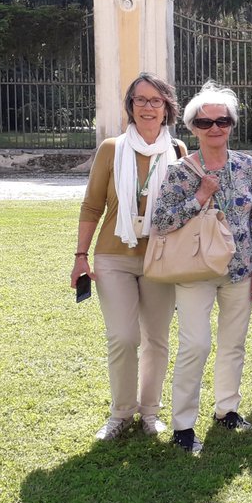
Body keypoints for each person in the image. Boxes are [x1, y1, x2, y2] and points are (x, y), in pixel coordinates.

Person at [153, 82, 252, 454]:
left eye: (223, 120)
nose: (215, 128)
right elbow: (161, 222)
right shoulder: (179, 172)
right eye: (205, 122)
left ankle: (227, 410)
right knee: (196, 345)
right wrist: (199, 197)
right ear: (193, 128)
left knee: (233, 345)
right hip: (196, 271)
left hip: (241, 270)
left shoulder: (248, 166)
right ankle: (183, 425)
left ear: (232, 124)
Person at [72, 72, 186, 441]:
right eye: (141, 100)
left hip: (160, 258)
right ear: (130, 106)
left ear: (167, 107)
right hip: (113, 256)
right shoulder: (112, 148)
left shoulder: (178, 152)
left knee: (156, 339)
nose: (148, 107)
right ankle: (120, 413)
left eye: (156, 100)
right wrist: (80, 256)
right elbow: (91, 206)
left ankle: (150, 413)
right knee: (122, 336)